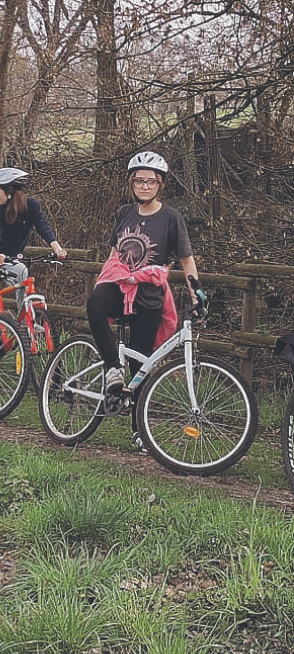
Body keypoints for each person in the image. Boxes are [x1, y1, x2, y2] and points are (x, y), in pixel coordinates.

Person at [86, 151, 200, 447]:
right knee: (95, 303)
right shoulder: (124, 212)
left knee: (142, 365)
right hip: (119, 283)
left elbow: (186, 259)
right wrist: (104, 279)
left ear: (160, 185)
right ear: (132, 183)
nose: (145, 186)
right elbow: (114, 252)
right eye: (139, 180)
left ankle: (139, 429)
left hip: (148, 295)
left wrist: (195, 292)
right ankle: (112, 367)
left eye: (151, 181)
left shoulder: (171, 217)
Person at [0, 167, 67, 306]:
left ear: (9, 191)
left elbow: (43, 227)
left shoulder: (31, 206)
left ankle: (24, 323)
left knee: (22, 273)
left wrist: (57, 249)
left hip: (10, 258)